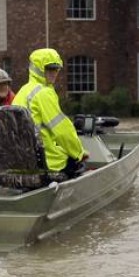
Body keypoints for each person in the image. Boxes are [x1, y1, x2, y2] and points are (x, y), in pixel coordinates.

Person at [15, 48, 87, 180]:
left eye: (56, 69)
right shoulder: (44, 93)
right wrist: (79, 153)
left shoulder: (23, 91)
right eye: (50, 69)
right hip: (48, 161)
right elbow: (62, 131)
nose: (54, 73)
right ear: (38, 69)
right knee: (77, 163)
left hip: (22, 161)